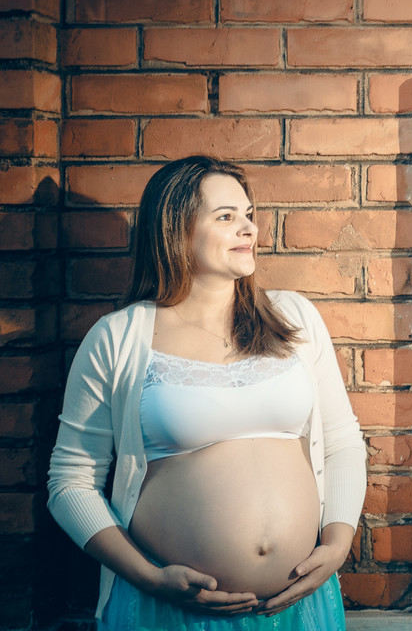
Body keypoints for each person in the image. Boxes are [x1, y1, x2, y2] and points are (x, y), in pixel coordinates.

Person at [47, 156, 367, 630]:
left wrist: (337, 545)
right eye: (226, 217)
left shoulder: (295, 318)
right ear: (176, 230)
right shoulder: (118, 338)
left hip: (298, 610)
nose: (249, 229)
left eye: (249, 214)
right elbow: (70, 482)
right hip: (169, 612)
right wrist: (149, 577)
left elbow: (341, 442)